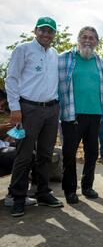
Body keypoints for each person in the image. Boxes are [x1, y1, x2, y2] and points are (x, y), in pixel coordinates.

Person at [5, 17, 63, 216]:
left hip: (52, 110)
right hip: (28, 109)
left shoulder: (54, 54)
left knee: (45, 155)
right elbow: (11, 79)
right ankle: (17, 196)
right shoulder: (23, 50)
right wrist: (15, 108)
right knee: (24, 154)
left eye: (50, 31)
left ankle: (43, 192)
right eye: (43, 30)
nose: (46, 34)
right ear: (35, 31)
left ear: (54, 34)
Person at [58, 26, 103, 204]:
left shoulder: (101, 63)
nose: (88, 40)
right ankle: (70, 190)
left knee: (92, 152)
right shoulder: (64, 58)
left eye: (92, 38)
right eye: (84, 37)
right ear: (78, 39)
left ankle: (87, 186)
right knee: (69, 153)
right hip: (72, 114)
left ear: (96, 42)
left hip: (95, 115)